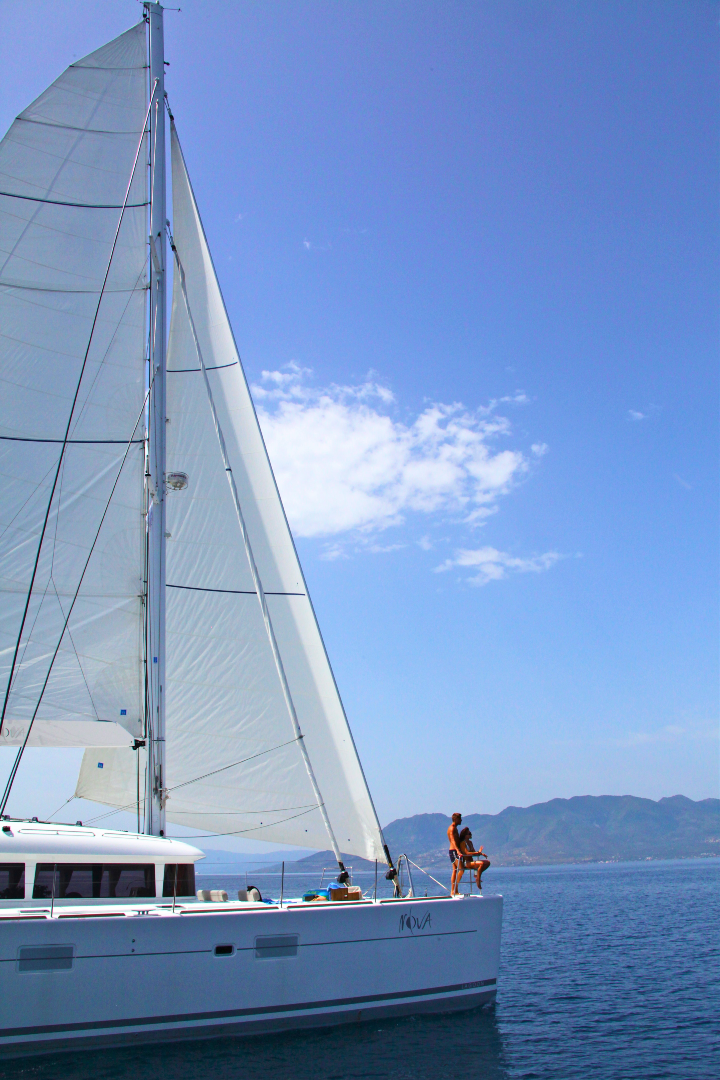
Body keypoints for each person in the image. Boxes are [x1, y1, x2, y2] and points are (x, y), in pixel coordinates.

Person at [455, 827, 490, 892]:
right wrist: (478, 852)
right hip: (467, 863)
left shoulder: (470, 843)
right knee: (481, 864)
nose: (471, 834)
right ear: (465, 835)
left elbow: (474, 853)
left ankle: (477, 875)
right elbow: (467, 853)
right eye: (469, 833)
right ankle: (478, 879)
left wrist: (481, 853)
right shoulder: (463, 843)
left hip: (472, 861)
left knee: (487, 862)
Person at [447, 813, 464, 896]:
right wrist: (458, 851)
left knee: (455, 870)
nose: (461, 820)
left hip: (454, 850)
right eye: (460, 818)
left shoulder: (455, 829)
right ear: (456, 819)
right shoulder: (452, 828)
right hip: (454, 851)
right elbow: (453, 840)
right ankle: (454, 890)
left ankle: (454, 890)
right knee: (461, 869)